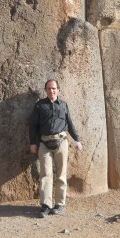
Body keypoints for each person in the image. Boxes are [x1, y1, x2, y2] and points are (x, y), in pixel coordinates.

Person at [29, 79, 83, 218]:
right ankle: (46, 205)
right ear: (45, 90)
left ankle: (59, 204)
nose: (51, 91)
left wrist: (76, 139)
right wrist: (32, 143)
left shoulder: (63, 105)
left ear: (58, 90)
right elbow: (33, 126)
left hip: (61, 142)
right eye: (48, 89)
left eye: (53, 88)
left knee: (61, 174)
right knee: (45, 175)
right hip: (44, 144)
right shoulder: (39, 106)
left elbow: (69, 123)